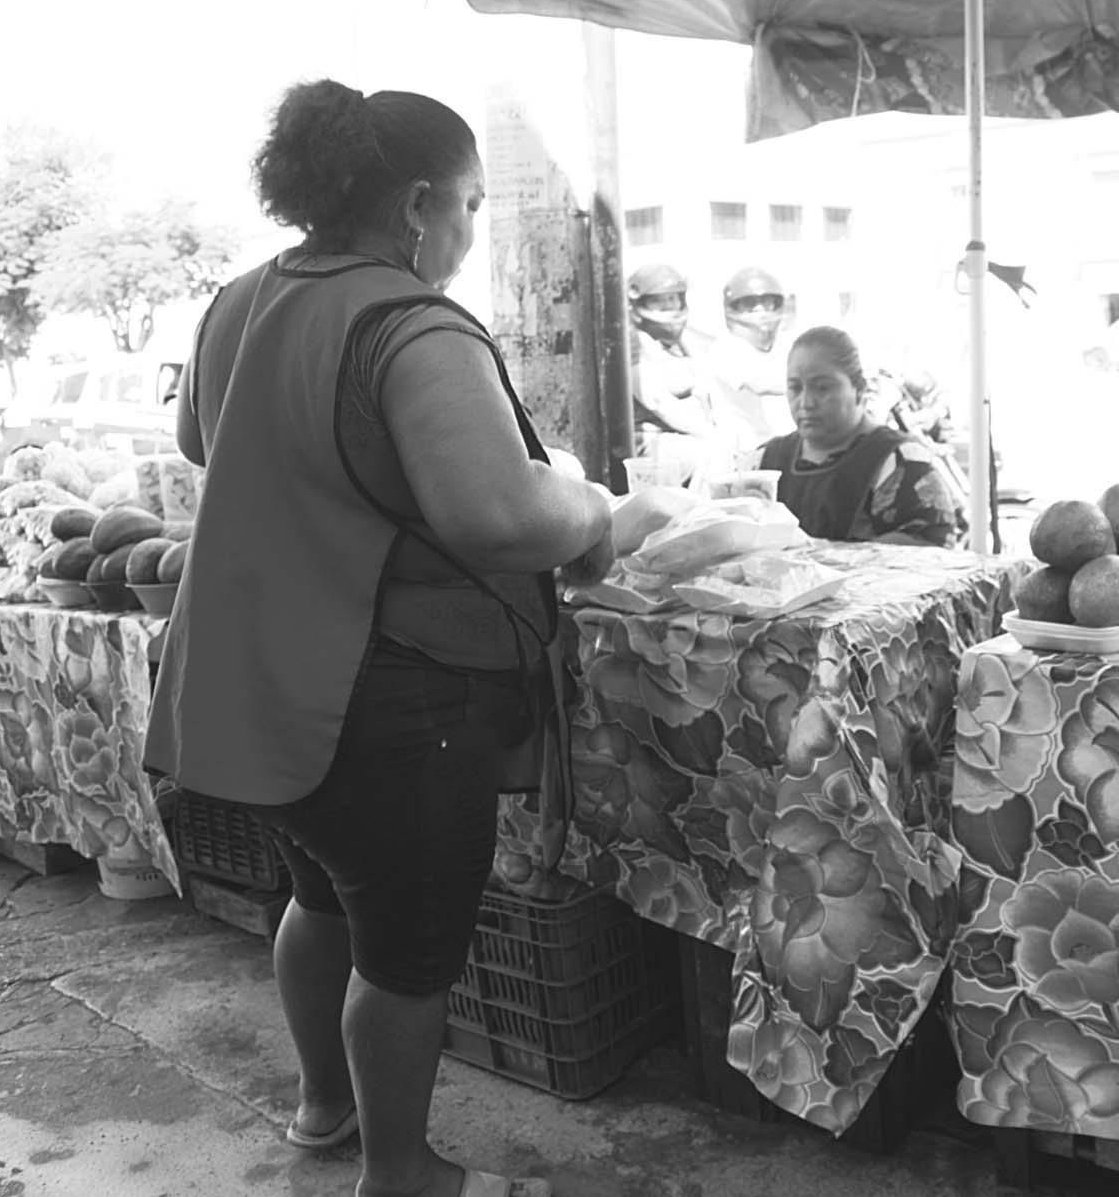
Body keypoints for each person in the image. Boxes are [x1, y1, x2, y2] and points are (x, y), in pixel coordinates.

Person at [145, 79, 612, 1197]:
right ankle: (401, 1174)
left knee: (319, 900)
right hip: (385, 699)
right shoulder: (411, 323)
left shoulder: (240, 298)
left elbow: (200, 437)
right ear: (415, 204)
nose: (467, 232)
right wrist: (596, 509)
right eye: (468, 205)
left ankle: (324, 1112)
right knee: (406, 954)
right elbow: (498, 516)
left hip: (263, 691)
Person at [758, 325, 966, 547]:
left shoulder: (900, 462)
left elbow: (931, 548)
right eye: (795, 388)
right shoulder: (765, 463)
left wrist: (821, 553)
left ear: (858, 389)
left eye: (822, 388)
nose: (806, 402)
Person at [703, 266, 791, 447]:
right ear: (734, 308)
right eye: (750, 304)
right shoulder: (725, 348)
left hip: (784, 444)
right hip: (745, 451)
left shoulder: (782, 346)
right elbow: (762, 383)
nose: (760, 309)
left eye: (766, 302)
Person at [625, 263, 714, 440]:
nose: (667, 305)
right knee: (712, 452)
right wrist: (711, 435)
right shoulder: (633, 343)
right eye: (657, 300)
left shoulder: (688, 342)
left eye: (672, 298)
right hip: (650, 436)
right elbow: (659, 403)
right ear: (639, 304)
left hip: (687, 432)